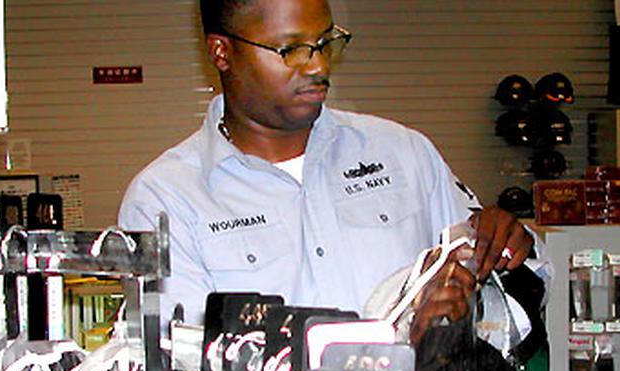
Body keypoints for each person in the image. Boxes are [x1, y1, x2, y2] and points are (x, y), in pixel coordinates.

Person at [118, 0, 542, 342]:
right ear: (221, 52)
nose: (318, 66)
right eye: (291, 50)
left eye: (324, 43)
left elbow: (506, 304)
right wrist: (401, 339)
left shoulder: (404, 154)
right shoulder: (166, 199)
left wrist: (503, 256)